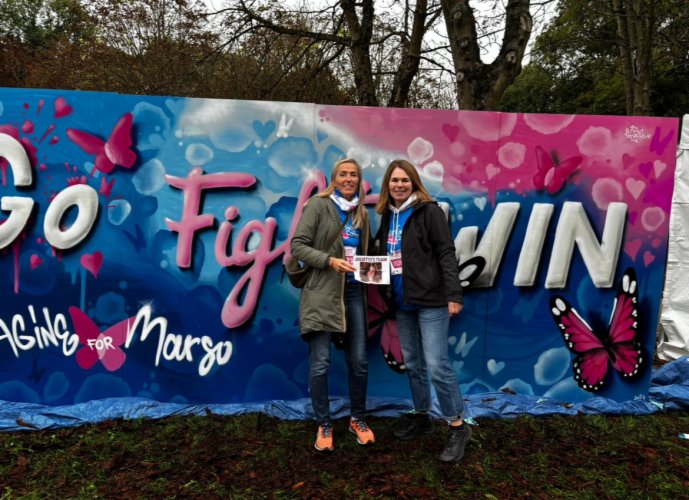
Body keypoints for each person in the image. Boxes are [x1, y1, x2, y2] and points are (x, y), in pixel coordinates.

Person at [372, 159, 471, 462]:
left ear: (414, 183)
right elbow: (387, 256)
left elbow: (446, 253)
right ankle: (421, 414)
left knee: (437, 364)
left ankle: (458, 426)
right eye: (394, 180)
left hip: (431, 301)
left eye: (405, 180)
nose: (399, 185)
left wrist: (454, 294)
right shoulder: (387, 216)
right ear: (387, 185)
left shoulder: (429, 212)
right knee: (413, 363)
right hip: (403, 303)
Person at [290, 158, 374, 452]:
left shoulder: (362, 213)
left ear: (358, 180)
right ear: (334, 179)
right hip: (322, 294)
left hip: (353, 293)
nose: (349, 179)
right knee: (321, 363)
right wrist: (329, 261)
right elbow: (297, 246)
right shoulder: (318, 205)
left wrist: (375, 269)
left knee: (359, 362)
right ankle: (324, 423)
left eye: (354, 175)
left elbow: (365, 254)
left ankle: (357, 418)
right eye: (343, 174)